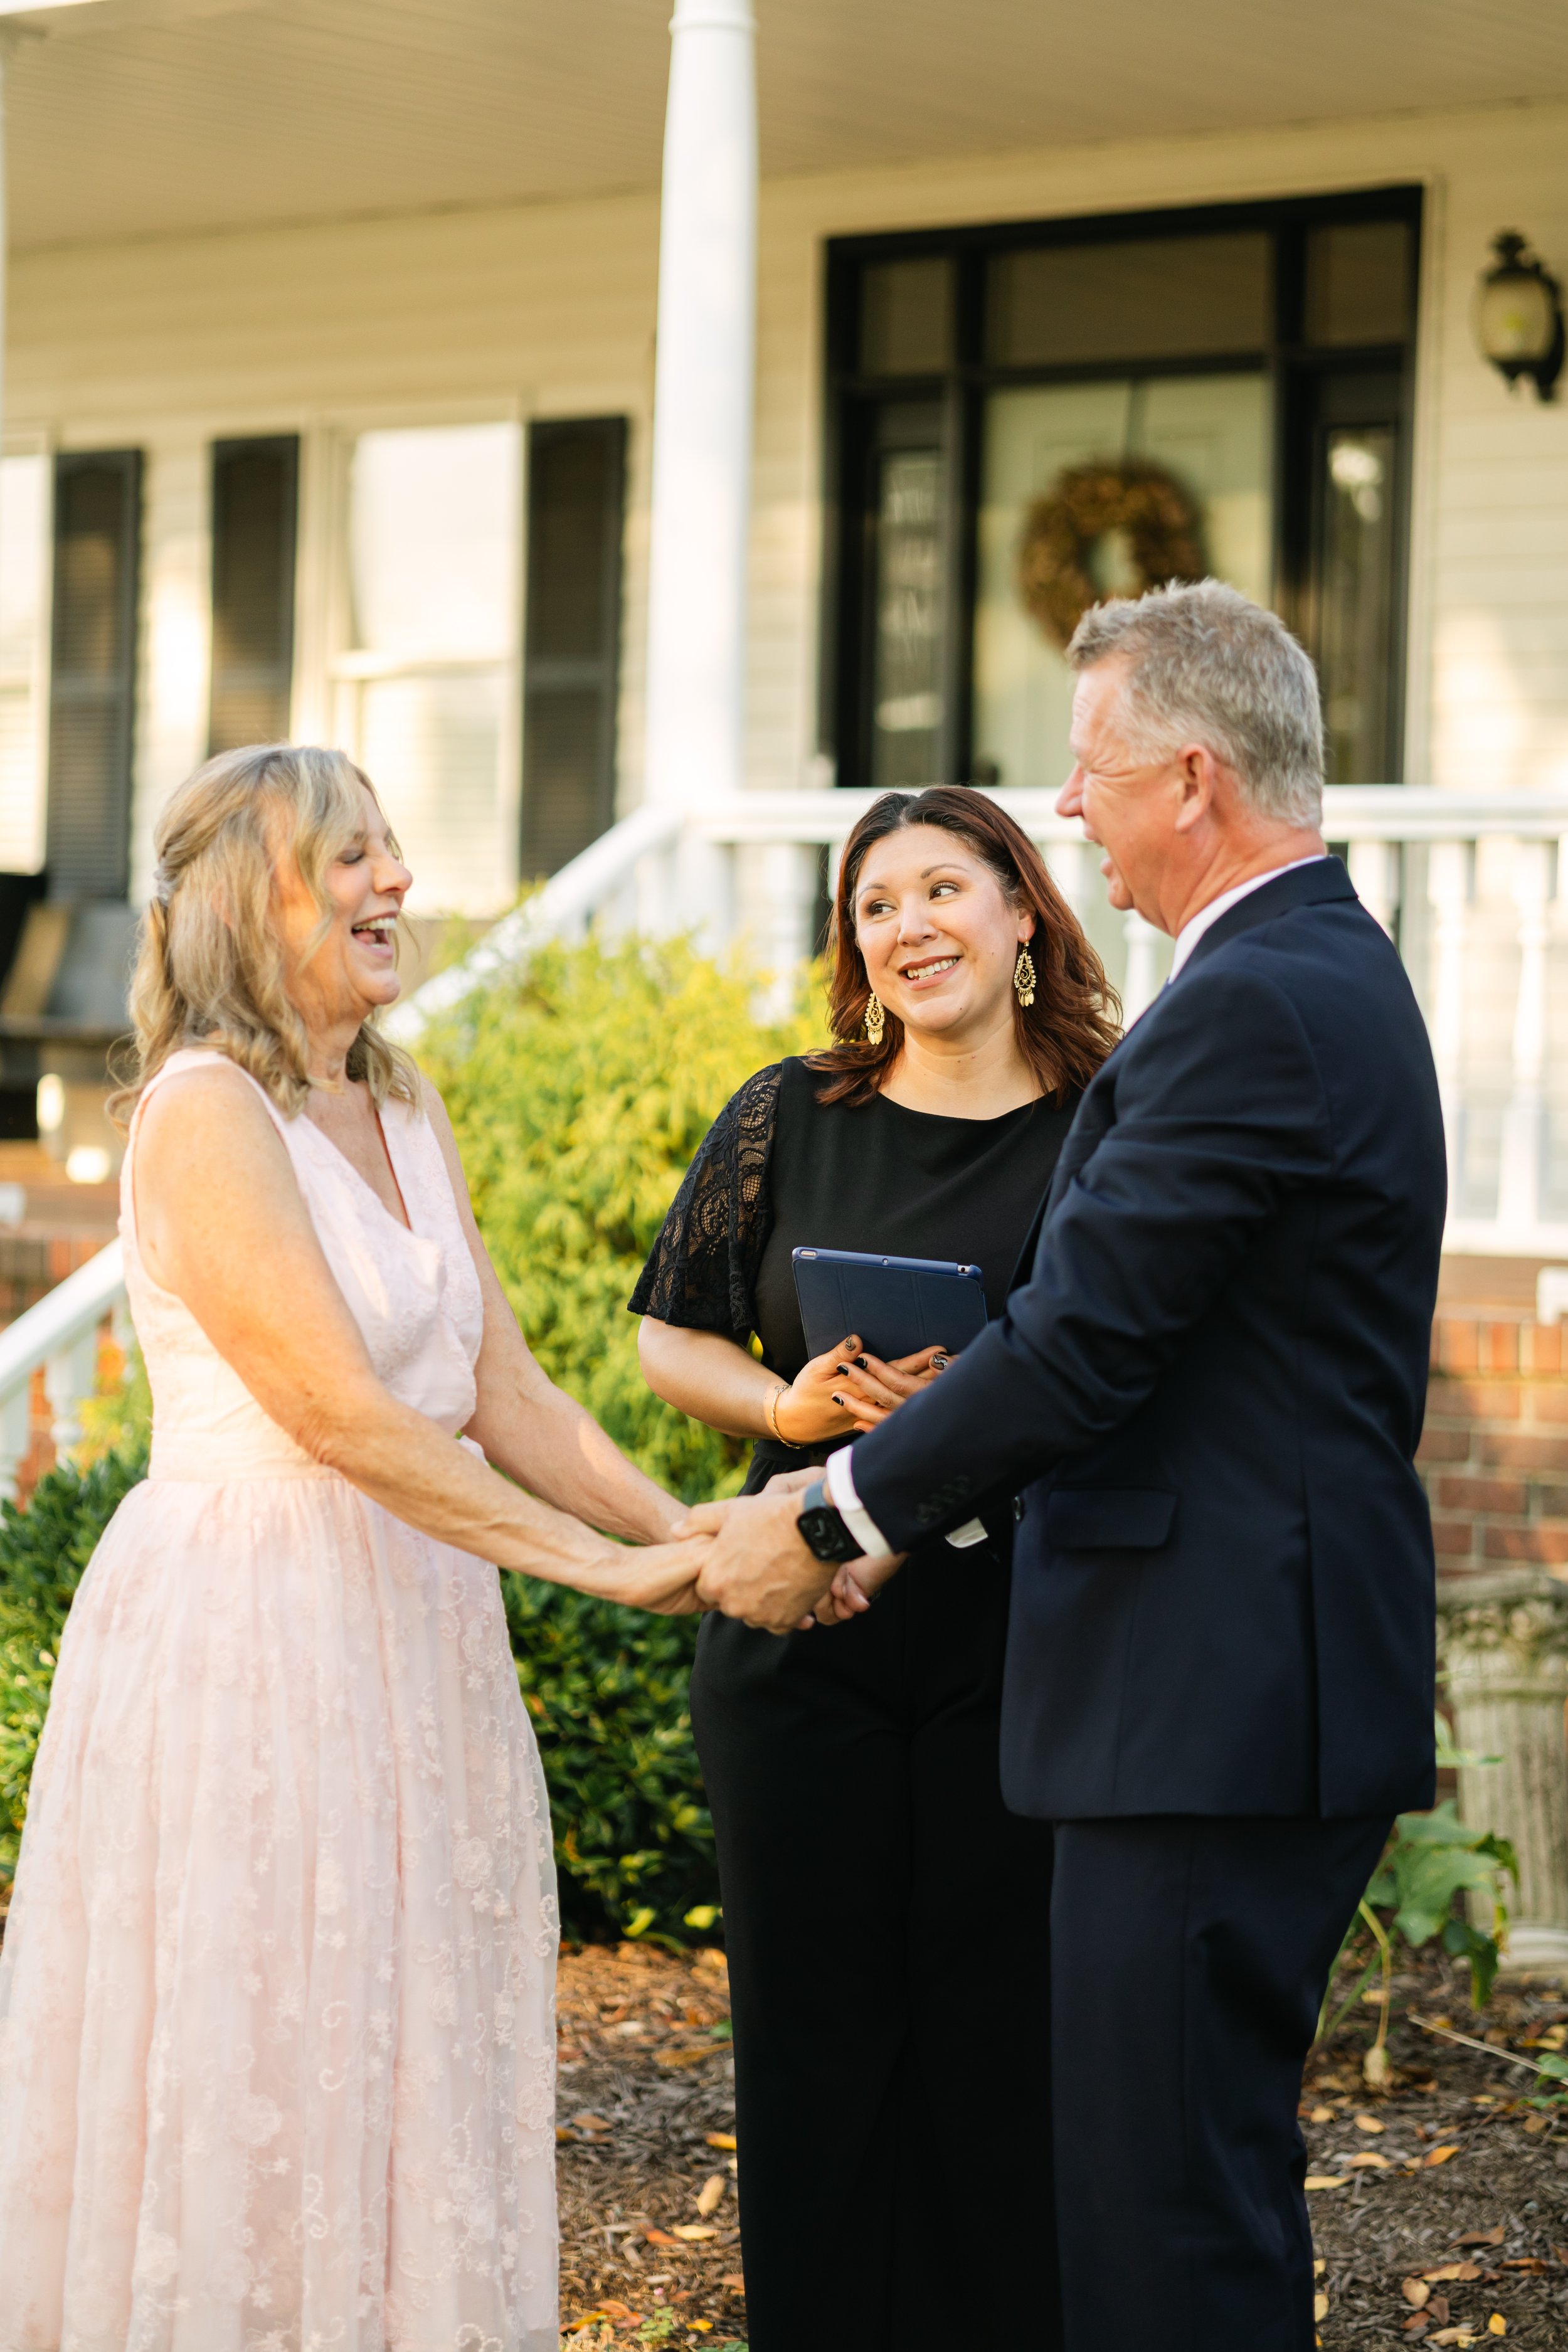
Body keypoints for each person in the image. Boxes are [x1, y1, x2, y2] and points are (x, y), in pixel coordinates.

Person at [682, 581, 1447, 2351]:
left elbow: (1088, 1337)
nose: (1068, 811)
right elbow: (1165, 1364)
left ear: (1189, 775)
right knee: (1176, 2190)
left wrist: (833, 1511)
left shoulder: (1254, 998)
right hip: (1230, 1682)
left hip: (1210, 1698)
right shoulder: (1301, 969)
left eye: (1090, 770)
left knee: (1158, 2221)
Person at [0, 746, 707, 2352]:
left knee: (408, 2022)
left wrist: (688, 1531)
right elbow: (342, 1416)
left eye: (394, 849)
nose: (396, 881)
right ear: (252, 900)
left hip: (414, 1625)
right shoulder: (204, 1115)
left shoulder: (398, 1095)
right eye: (353, 858)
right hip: (258, 1629)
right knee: (270, 2026)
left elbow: (496, 1386)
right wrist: (604, 1576)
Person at [631, 787, 1117, 2351]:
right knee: (813, 2046)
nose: (909, 928)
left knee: (997, 2042)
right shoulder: (790, 1112)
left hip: (1019, 1639)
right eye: (874, 905)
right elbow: (669, 1331)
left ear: (1022, 909)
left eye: (941, 890)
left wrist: (964, 1426)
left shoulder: (1109, 1121)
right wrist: (787, 1404)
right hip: (803, 1631)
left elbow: (1127, 1368)